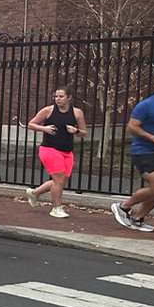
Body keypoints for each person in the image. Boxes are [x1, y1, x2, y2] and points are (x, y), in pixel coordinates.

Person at [113, 75, 154, 232]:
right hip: (144, 150)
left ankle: (137, 218)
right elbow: (132, 127)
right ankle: (123, 207)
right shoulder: (146, 105)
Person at [25, 86, 87, 218]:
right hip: (49, 149)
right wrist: (45, 129)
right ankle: (56, 208)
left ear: (69, 97)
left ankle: (34, 193)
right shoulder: (48, 110)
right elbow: (31, 124)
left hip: (67, 151)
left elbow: (83, 133)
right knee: (58, 180)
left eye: (61, 96)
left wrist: (75, 131)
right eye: (56, 97)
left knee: (61, 181)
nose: (57, 99)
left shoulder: (77, 113)